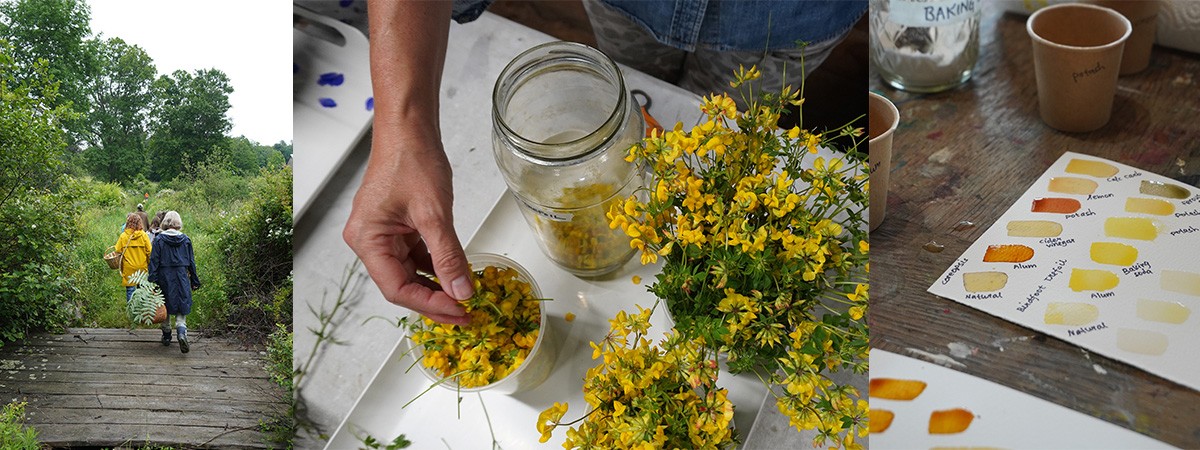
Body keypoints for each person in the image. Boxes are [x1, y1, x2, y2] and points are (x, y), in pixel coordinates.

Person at [343, 0, 864, 325]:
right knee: (628, 74)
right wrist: (403, 132)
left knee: (724, 127)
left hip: (785, 16)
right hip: (630, 5)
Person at [148, 211, 201, 353]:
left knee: (163, 305)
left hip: (164, 276)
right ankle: (181, 332)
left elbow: (154, 261)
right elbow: (191, 262)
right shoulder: (186, 240)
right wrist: (194, 280)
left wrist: (151, 279)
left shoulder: (159, 239)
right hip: (181, 275)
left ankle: (166, 336)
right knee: (181, 303)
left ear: (165, 222)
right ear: (178, 223)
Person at [114, 213, 152, 304]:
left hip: (129, 268)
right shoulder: (144, 236)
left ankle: (131, 312)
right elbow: (150, 251)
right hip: (142, 267)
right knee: (142, 290)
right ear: (140, 223)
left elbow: (117, 250)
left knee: (130, 290)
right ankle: (142, 309)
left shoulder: (123, 236)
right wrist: (149, 264)